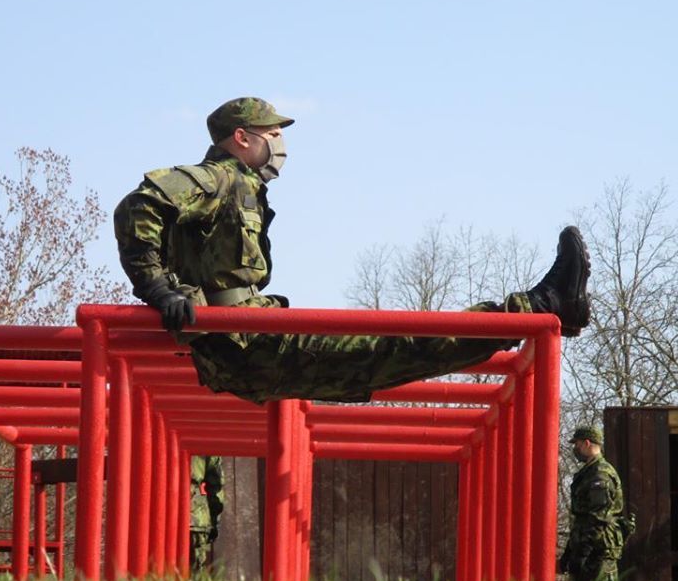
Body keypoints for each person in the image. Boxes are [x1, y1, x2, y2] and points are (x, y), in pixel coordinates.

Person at [114, 97, 592, 404]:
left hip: (250, 339)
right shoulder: (218, 177)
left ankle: (542, 309)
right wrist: (156, 288)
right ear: (242, 138)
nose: (280, 144)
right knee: (396, 345)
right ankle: (540, 307)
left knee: (398, 354)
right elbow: (140, 205)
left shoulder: (241, 187)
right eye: (272, 134)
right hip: (244, 344)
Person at [559, 425, 636, 581]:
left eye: (577, 445)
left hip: (598, 553)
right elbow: (581, 519)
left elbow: (597, 519)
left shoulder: (600, 474)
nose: (575, 449)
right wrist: (570, 553)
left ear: (587, 443)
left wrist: (581, 554)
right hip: (588, 551)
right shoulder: (589, 472)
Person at [190, 454, 224, 573]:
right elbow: (215, 487)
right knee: (192, 575)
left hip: (155, 513)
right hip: (195, 517)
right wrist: (213, 521)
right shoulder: (204, 439)